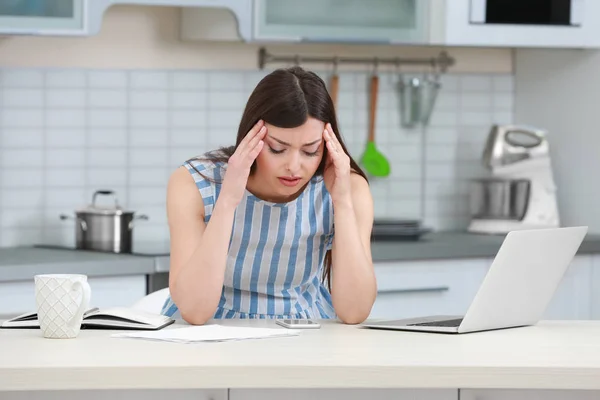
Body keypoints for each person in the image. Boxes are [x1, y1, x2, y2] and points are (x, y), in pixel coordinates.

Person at [161, 66, 376, 325]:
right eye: (277, 149)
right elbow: (195, 311)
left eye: (310, 151)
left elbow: (355, 312)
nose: (294, 167)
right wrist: (228, 199)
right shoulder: (193, 182)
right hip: (208, 332)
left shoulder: (348, 188)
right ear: (251, 136)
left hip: (306, 333)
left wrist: (342, 202)